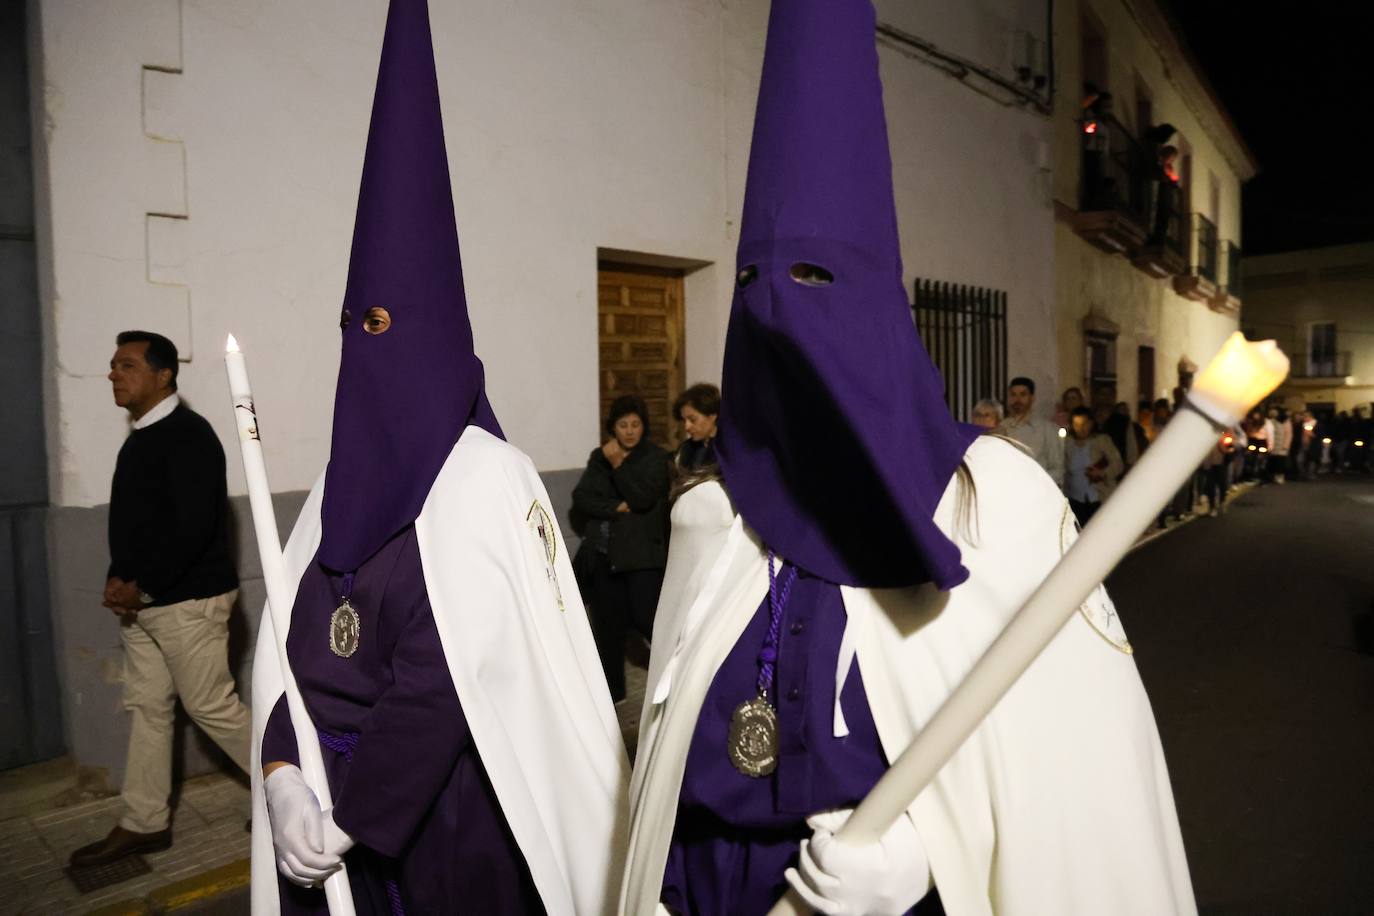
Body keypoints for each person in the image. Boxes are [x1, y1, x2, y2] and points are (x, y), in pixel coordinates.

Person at [619, 3, 1195, 913]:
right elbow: (659, 766)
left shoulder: (990, 498)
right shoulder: (711, 512)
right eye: (751, 286)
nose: (780, 315)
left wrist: (927, 855)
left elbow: (1059, 759)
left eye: (815, 280)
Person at [249, 3, 627, 912]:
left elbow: (455, 676)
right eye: (350, 327)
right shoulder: (341, 485)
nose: (361, 347)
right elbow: (286, 648)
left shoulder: (488, 479)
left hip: (447, 835)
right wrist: (282, 774)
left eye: (380, 325)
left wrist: (356, 815)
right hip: (333, 821)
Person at [70, 331, 251, 870]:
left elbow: (194, 530)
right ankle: (144, 823)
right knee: (148, 709)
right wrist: (117, 579)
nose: (112, 374)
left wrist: (141, 585)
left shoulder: (189, 437)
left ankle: (302, 789)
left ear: (163, 374)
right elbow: (138, 527)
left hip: (188, 603)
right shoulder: (143, 435)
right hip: (148, 604)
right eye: (112, 365)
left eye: (126, 365)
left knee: (212, 708)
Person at [572, 395, 671, 700]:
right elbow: (583, 498)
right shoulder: (599, 456)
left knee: (647, 619)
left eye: (635, 424)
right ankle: (613, 694)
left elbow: (642, 498)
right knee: (608, 628)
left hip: (641, 556)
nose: (629, 431)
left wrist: (618, 466)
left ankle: (674, 677)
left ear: (644, 427)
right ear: (612, 427)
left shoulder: (655, 458)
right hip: (606, 555)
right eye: (622, 425)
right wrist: (618, 506)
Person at [1063, 407, 1124, 526]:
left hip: (1098, 496)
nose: (1081, 428)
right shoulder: (1068, 443)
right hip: (1075, 498)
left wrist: (1102, 473)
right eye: (1077, 424)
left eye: (1084, 424)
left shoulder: (1102, 441)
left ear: (1091, 423)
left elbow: (1118, 463)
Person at [1001, 377, 1065, 487]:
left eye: (1023, 394)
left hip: (1038, 494)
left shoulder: (1047, 430)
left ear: (1032, 397)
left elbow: (1058, 469)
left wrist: (1034, 482)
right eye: (1013, 395)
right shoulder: (1001, 428)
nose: (1017, 399)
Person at [674, 383, 721, 472]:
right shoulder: (686, 448)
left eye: (693, 419)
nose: (687, 427)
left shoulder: (727, 449)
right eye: (684, 421)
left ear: (712, 415)